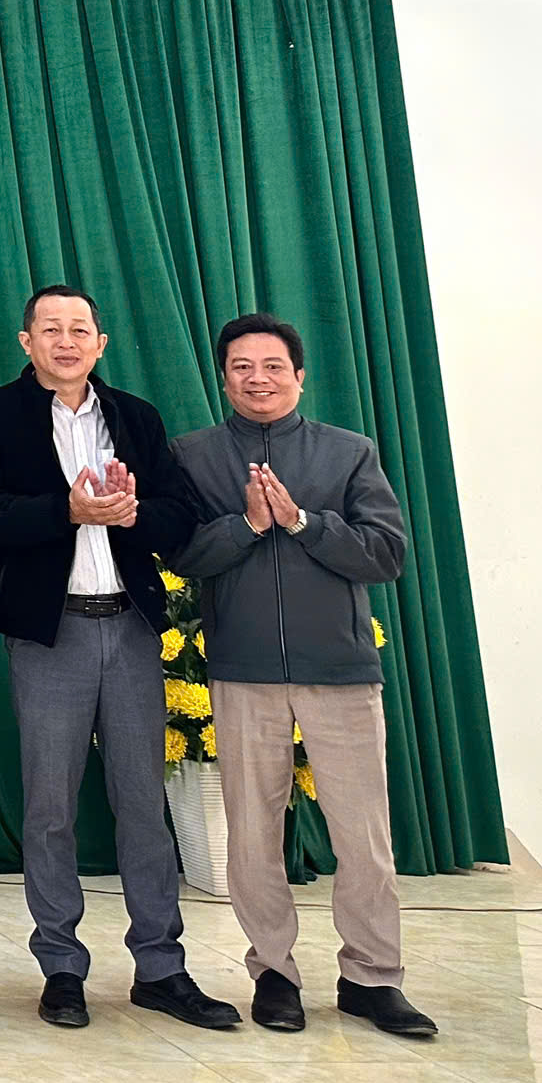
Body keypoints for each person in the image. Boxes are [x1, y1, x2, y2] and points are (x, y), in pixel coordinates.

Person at [0, 286, 239, 1032]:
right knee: (49, 808)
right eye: (51, 329)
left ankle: (161, 968)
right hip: (52, 634)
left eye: (80, 329)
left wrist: (135, 513)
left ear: (100, 344)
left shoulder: (135, 417)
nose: (66, 341)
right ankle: (62, 968)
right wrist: (67, 511)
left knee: (142, 803)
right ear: (26, 342)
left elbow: (179, 515)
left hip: (131, 628)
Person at [169, 314, 434, 1042]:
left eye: (273, 366)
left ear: (300, 376)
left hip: (340, 672)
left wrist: (303, 523)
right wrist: (248, 526)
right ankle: (274, 975)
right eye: (242, 367)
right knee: (253, 835)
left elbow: (385, 554)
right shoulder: (193, 456)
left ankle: (372, 979)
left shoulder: (349, 452)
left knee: (363, 836)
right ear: (224, 377)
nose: (258, 379)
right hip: (242, 671)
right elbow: (184, 555)